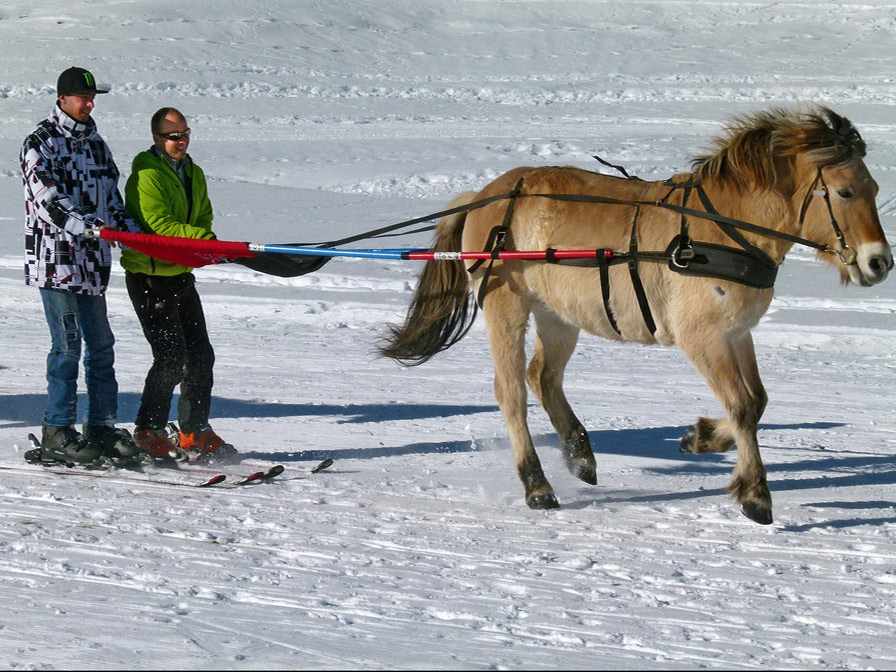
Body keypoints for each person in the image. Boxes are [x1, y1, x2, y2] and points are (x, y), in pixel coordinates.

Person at [21, 66, 142, 464]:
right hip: (57, 265)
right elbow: (50, 203)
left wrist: (138, 238)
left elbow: (113, 202)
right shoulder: (40, 142)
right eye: (82, 97)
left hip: (94, 266)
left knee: (102, 347)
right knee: (67, 347)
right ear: (62, 99)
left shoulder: (96, 145)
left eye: (92, 98)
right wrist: (93, 227)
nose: (89, 104)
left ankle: (102, 428)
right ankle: (57, 429)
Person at [123, 107, 235, 460]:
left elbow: (203, 214)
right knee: (171, 358)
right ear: (157, 138)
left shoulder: (193, 172)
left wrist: (205, 241)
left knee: (201, 356)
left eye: (185, 133)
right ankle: (148, 429)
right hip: (149, 277)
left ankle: (193, 430)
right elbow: (159, 225)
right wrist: (203, 241)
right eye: (173, 135)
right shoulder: (145, 174)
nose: (181, 140)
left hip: (181, 274)